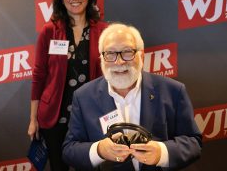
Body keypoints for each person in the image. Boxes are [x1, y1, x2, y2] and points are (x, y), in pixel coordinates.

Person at [62, 23, 202, 171]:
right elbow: (69, 150)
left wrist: (162, 153)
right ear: (102, 58)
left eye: (127, 52)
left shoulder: (173, 90)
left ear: (141, 55)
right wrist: (99, 150)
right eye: (110, 53)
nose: (119, 61)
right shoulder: (83, 97)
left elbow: (193, 142)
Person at [27, 0, 107, 170]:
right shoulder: (50, 31)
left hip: (89, 117)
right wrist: (32, 119)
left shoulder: (104, 32)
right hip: (55, 117)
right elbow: (39, 76)